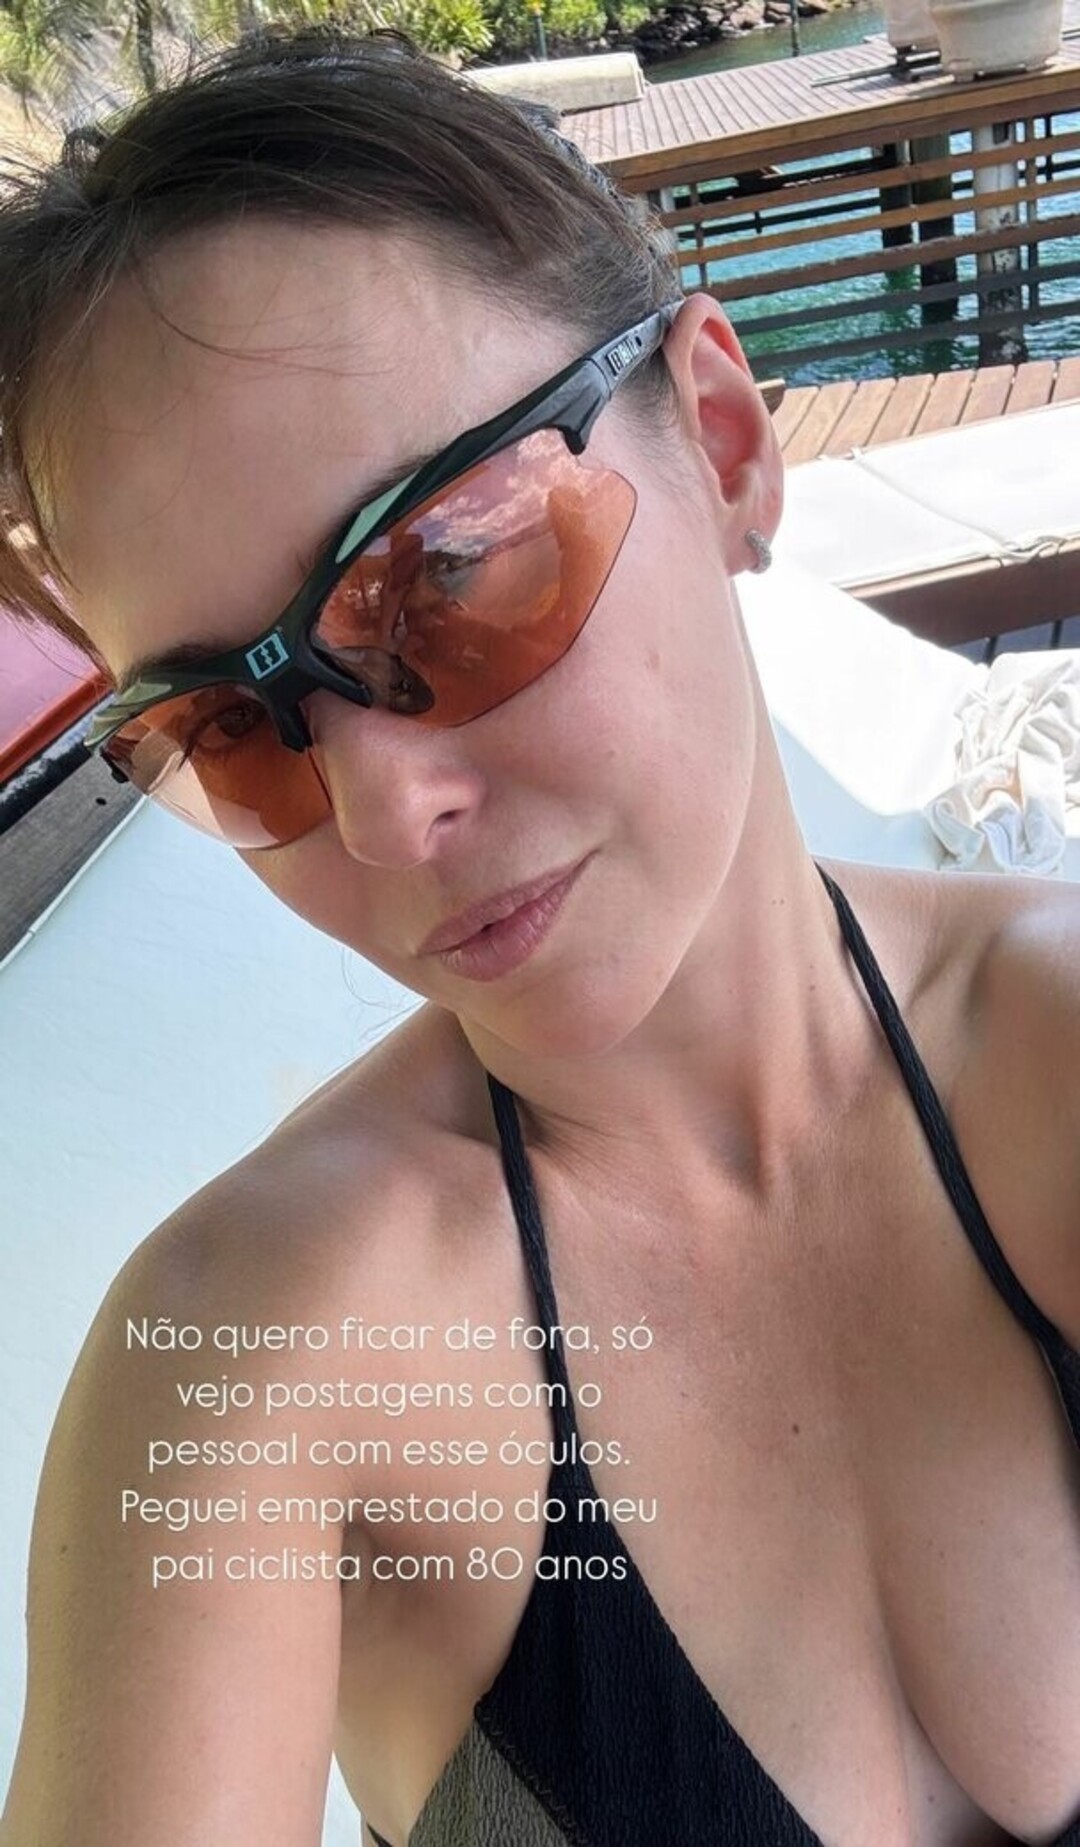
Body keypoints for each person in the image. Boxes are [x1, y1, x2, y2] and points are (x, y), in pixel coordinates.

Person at [0, 28, 1078, 1847]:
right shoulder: (255, 1363)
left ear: (722, 441)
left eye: (450, 573)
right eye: (230, 727)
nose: (380, 816)